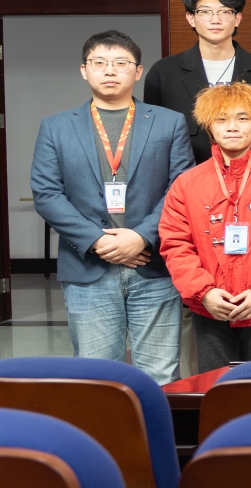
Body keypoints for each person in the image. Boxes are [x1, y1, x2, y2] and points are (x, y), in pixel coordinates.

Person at [31, 31, 193, 383]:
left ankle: (156, 426)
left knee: (161, 376)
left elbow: (181, 189)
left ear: (138, 71)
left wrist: (141, 236)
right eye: (99, 63)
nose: (109, 70)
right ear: (84, 70)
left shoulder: (169, 122)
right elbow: (46, 193)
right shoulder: (56, 126)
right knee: (97, 379)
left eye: (121, 63)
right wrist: (98, 241)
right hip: (88, 268)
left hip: (154, 266)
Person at [159, 83, 251, 370]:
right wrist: (204, 293)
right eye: (221, 119)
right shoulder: (187, 184)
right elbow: (175, 243)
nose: (232, 127)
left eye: (242, 118)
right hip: (210, 310)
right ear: (209, 126)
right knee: (215, 388)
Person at [144, 0, 251, 164]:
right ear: (191, 18)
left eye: (225, 12)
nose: (215, 20)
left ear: (237, 18)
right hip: (186, 175)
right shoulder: (164, 72)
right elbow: (154, 139)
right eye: (205, 12)